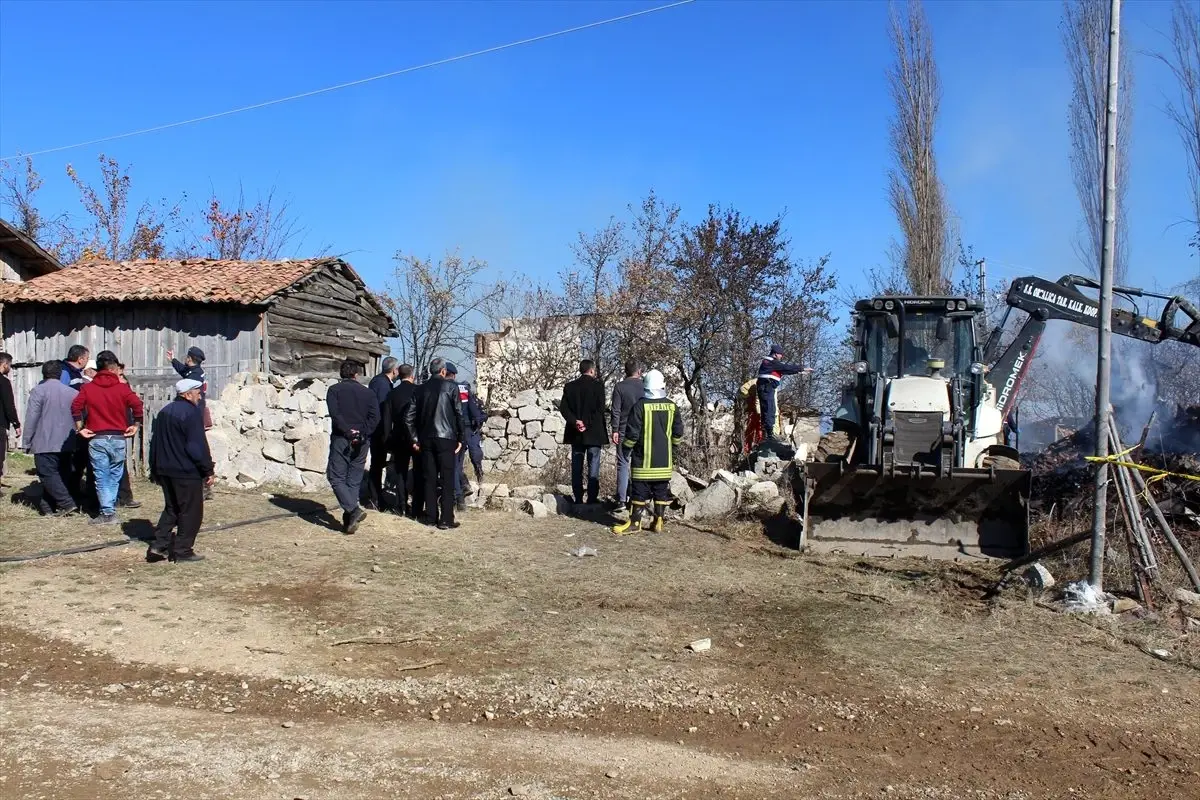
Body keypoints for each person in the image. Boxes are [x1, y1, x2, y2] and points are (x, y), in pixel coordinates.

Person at [70, 350, 143, 525]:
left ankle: (107, 512)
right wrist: (136, 425)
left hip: (97, 438)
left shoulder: (88, 388)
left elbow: (76, 407)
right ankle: (109, 509)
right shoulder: (122, 388)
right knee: (115, 475)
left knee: (101, 476)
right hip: (118, 437)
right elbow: (137, 405)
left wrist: (80, 428)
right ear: (113, 367)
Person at [146, 378, 215, 563]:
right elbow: (196, 446)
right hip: (185, 470)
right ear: (187, 394)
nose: (199, 396)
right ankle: (183, 551)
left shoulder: (164, 411)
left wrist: (154, 467)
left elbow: (155, 443)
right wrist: (208, 469)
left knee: (172, 508)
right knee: (191, 511)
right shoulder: (190, 414)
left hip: (165, 468)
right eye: (197, 392)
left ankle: (159, 545)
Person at [612, 369, 684, 535]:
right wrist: (672, 452)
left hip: (643, 461)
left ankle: (635, 523)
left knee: (639, 492)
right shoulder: (672, 406)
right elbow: (678, 433)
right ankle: (658, 521)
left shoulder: (640, 406)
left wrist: (626, 448)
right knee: (660, 491)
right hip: (664, 462)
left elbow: (632, 434)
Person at [403, 357, 465, 530]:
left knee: (429, 478)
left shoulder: (419, 389)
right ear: (444, 371)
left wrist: (414, 439)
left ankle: (430, 517)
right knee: (447, 479)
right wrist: (461, 438)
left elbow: (408, 417)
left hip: (426, 439)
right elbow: (459, 414)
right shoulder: (451, 387)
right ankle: (446, 519)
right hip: (446, 437)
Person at [326, 359, 379, 534]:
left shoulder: (334, 390)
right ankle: (349, 521)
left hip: (342, 438)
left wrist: (349, 431)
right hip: (363, 440)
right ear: (356, 374)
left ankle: (353, 510)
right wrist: (362, 433)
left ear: (341, 374)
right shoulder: (368, 393)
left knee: (335, 477)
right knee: (353, 479)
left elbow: (336, 415)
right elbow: (375, 418)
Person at [21, 361, 79, 515]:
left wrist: (27, 441)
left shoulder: (38, 391)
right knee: (61, 473)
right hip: (67, 441)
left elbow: (32, 418)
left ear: (43, 374)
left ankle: (66, 503)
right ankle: (48, 507)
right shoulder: (73, 393)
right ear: (60, 374)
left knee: (47, 474)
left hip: (44, 440)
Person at [560, 359, 607, 506]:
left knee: (577, 466)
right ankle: (592, 498)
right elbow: (599, 409)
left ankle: (578, 498)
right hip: (593, 432)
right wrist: (586, 422)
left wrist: (576, 422)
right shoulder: (598, 386)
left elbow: (564, 408)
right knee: (593, 466)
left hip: (576, 433)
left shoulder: (570, 387)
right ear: (592, 370)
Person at [444, 362, 485, 511]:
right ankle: (464, 487)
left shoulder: (442, 388)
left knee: (455, 464)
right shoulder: (463, 388)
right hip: (466, 429)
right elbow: (474, 411)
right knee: (459, 463)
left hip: (450, 431)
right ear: (454, 374)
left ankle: (460, 496)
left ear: (443, 373)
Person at [381, 364, 418, 516]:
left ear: (399, 375)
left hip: (398, 437)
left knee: (400, 472)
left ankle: (401, 505)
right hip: (416, 437)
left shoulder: (392, 394)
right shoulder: (418, 391)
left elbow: (386, 420)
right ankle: (416, 505)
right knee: (419, 470)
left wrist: (386, 440)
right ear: (412, 375)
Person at [756, 344, 811, 440]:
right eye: (780, 354)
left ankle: (768, 433)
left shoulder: (771, 363)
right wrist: (802, 368)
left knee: (770, 410)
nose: (781, 356)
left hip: (767, 387)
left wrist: (800, 372)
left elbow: (785, 370)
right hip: (766, 387)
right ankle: (769, 434)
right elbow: (786, 367)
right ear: (775, 354)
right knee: (769, 410)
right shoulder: (771, 362)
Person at [366, 357, 400, 509]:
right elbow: (383, 409)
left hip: (377, 429)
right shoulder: (382, 384)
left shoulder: (377, 381)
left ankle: (376, 496)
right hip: (379, 430)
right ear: (394, 370)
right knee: (377, 464)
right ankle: (375, 498)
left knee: (378, 464)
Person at [609, 360, 642, 510]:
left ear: (625, 371)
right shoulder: (645, 387)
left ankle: (621, 500)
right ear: (639, 372)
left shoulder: (619, 387)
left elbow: (615, 410)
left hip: (623, 430)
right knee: (639, 465)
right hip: (641, 431)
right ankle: (637, 498)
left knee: (623, 463)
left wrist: (614, 429)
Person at [114, 362, 141, 510]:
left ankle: (124, 496)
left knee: (119, 462)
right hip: (109, 430)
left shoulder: (123, 385)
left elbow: (133, 405)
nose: (121, 377)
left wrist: (134, 424)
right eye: (119, 373)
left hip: (121, 427)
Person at [0, 352, 22, 489]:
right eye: (10, 365)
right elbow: (9, 405)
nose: (10, 368)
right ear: (4, 364)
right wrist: (16, 424)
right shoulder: (3, 381)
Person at [739, 377, 764, 454]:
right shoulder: (755, 382)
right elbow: (742, 389)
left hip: (758, 411)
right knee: (753, 430)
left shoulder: (767, 382)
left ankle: (757, 449)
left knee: (758, 430)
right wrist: (749, 398)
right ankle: (748, 451)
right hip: (754, 411)